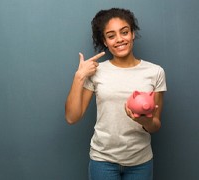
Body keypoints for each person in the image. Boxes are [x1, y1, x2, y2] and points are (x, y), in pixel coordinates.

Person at [65, 8, 167, 180]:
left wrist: (143, 120)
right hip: (103, 161)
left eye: (124, 32)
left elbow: (155, 125)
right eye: (111, 36)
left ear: (132, 34)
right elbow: (72, 117)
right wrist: (79, 76)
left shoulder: (155, 72)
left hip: (140, 162)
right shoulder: (96, 71)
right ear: (105, 41)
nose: (119, 39)